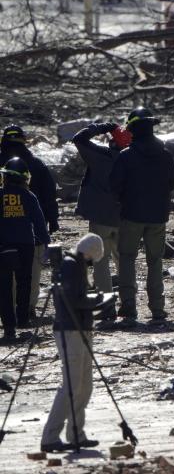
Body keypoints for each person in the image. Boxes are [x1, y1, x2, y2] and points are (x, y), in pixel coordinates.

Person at [41, 233, 111, 452]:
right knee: (71, 386)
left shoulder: (76, 264)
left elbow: (75, 298)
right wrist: (99, 300)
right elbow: (73, 301)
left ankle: (76, 434)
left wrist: (95, 299)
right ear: (91, 253)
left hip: (79, 328)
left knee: (84, 386)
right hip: (70, 331)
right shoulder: (72, 266)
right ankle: (50, 436)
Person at [109, 107, 174, 325]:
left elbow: (114, 186)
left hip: (131, 216)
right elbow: (172, 183)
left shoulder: (126, 156)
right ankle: (158, 309)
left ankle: (128, 309)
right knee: (155, 261)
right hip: (158, 216)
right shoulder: (165, 155)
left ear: (133, 130)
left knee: (127, 259)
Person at [73, 122, 132, 323]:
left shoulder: (100, 156)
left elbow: (79, 138)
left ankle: (107, 309)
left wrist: (103, 126)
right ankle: (129, 307)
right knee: (125, 263)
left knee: (101, 263)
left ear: (113, 141)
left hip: (101, 219)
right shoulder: (134, 160)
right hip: (126, 218)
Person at [0, 125, 59, 321]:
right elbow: (49, 195)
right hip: (29, 236)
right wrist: (52, 221)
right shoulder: (36, 164)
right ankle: (26, 312)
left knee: (6, 280)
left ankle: (8, 319)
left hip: (4, 240)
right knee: (29, 276)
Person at [0, 158, 50, 342]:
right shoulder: (29, 196)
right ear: (24, 178)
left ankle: (9, 327)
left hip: (3, 246)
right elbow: (39, 222)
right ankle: (23, 319)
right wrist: (46, 244)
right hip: (25, 245)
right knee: (24, 282)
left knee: (4, 287)